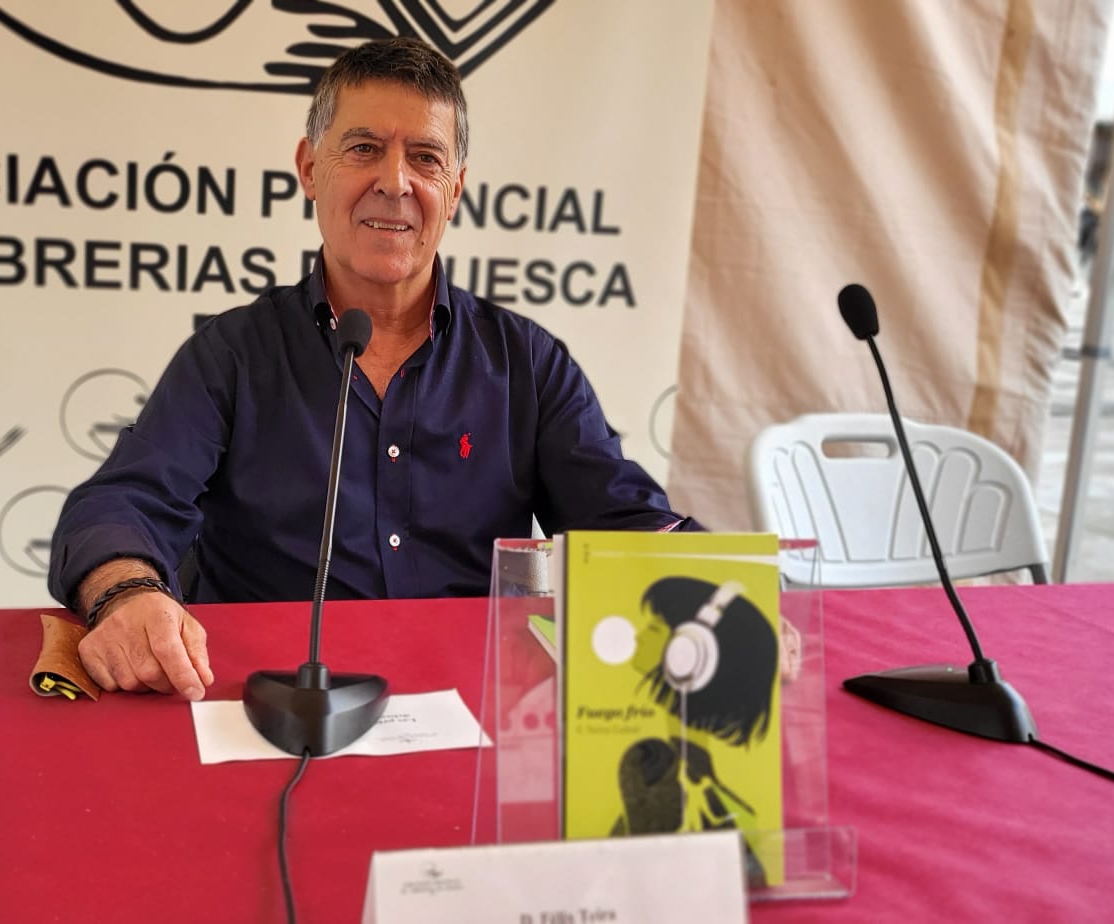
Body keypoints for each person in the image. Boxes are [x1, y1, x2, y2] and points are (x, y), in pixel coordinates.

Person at [48, 37, 699, 700]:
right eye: (363, 149)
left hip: (464, 706)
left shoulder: (525, 363)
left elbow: (621, 520)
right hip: (266, 702)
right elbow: (120, 503)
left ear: (455, 191)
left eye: (425, 157)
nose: (395, 181)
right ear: (309, 168)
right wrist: (129, 592)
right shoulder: (234, 355)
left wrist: (726, 596)